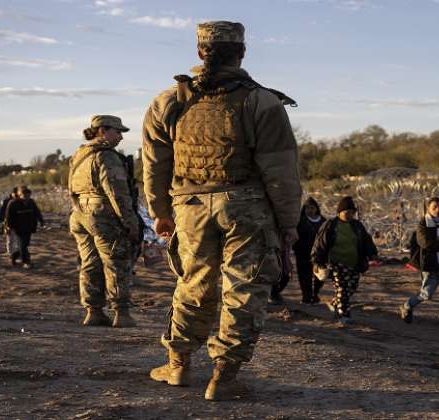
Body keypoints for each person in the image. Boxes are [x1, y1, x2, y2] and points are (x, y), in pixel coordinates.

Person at [142, 21, 301, 401]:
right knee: (244, 290)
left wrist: (160, 211)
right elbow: (281, 172)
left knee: (193, 283)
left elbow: (154, 164)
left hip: (190, 207)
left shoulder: (169, 101)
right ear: (241, 52)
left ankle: (178, 365)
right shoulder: (261, 101)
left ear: (200, 52)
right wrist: (289, 223)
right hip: (246, 208)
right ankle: (223, 377)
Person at [69, 115, 141, 329]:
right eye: (117, 132)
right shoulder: (107, 156)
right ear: (102, 130)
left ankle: (93, 312)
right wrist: (131, 222)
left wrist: (80, 211)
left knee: (89, 263)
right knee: (116, 263)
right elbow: (118, 194)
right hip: (103, 216)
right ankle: (122, 313)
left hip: (80, 214)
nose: (120, 137)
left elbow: (71, 190)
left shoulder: (79, 155)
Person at [311, 196, 378, 327]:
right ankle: (344, 315)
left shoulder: (357, 226)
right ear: (339, 212)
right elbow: (320, 243)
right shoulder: (330, 225)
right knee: (342, 288)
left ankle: (335, 304)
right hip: (337, 263)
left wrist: (372, 254)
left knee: (351, 288)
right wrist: (317, 260)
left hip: (354, 263)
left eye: (352, 213)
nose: (349, 215)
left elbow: (366, 241)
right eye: (346, 212)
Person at [399, 197, 439, 332]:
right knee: (426, 294)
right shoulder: (423, 225)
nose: (438, 209)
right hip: (431, 266)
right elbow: (426, 243)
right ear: (428, 208)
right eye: (434, 206)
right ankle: (407, 306)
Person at [293, 197, 325, 304]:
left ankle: (315, 294)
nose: (310, 210)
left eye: (312, 208)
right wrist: (296, 248)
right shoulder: (299, 221)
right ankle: (306, 297)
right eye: (307, 208)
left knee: (320, 276)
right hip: (303, 253)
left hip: (320, 254)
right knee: (304, 276)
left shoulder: (324, 221)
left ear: (316, 208)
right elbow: (294, 236)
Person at [4, 186, 44, 269]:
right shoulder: (13, 203)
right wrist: (8, 227)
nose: (27, 198)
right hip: (18, 228)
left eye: (28, 196)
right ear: (20, 195)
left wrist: (41, 220)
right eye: (25, 196)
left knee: (25, 244)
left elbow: (37, 212)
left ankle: (14, 256)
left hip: (29, 227)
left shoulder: (31, 202)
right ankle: (26, 262)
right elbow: (8, 216)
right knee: (22, 245)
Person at [0, 186, 20, 262]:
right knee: (10, 239)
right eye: (16, 192)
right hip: (7, 222)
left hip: (18, 223)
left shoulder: (20, 201)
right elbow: (1, 212)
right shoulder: (6, 201)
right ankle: (10, 253)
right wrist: (2, 223)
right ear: (12, 193)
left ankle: (16, 254)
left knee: (17, 239)